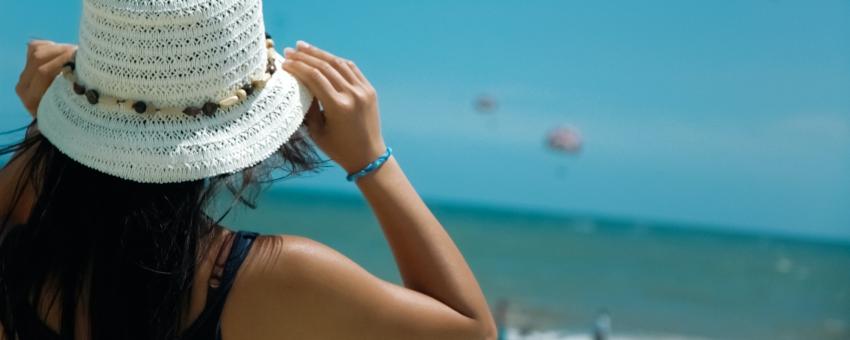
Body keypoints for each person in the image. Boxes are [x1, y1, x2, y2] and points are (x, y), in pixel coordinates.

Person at [0, 0, 497, 339]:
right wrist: (372, 160)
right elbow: (471, 330)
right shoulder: (271, 276)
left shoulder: (18, 250)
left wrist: (51, 128)